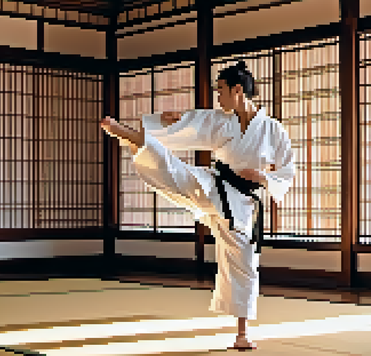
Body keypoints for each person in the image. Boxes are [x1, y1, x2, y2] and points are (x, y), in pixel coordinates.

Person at [100, 61, 295, 350]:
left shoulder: (273, 129)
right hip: (214, 185)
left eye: (221, 90)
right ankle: (131, 135)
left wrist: (262, 177)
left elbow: (287, 171)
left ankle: (242, 334)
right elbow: (193, 124)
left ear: (237, 90)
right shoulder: (220, 120)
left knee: (245, 265)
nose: (218, 97)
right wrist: (169, 122)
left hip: (241, 205)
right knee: (178, 174)